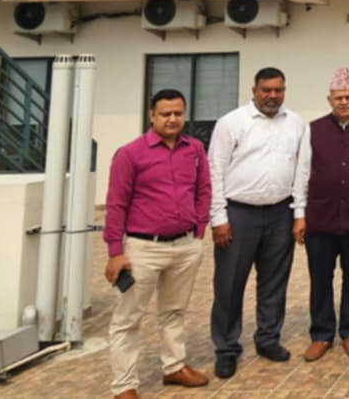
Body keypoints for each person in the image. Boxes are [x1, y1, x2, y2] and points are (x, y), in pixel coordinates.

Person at [103, 88, 211, 399]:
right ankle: (124, 385)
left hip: (185, 245)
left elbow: (203, 189)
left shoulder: (194, 149)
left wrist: (199, 228)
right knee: (128, 319)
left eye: (178, 113)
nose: (172, 119)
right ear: (152, 115)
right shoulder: (130, 154)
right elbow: (116, 204)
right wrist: (115, 252)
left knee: (174, 311)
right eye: (165, 114)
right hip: (143, 248)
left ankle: (174, 366)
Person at [208, 67, 307, 378]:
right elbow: (215, 171)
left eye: (278, 90)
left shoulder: (296, 124)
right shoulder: (231, 123)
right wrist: (218, 217)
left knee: (274, 282)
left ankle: (268, 339)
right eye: (266, 90)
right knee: (229, 284)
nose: (272, 96)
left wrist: (299, 214)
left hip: (280, 213)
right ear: (254, 90)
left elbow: (301, 172)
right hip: (239, 214)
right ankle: (226, 348)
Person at [292, 68, 349, 361]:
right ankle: (321, 333)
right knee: (320, 278)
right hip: (321, 217)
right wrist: (300, 214)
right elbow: (302, 173)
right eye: (338, 97)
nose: (344, 102)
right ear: (329, 99)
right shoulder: (313, 129)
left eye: (348, 97)